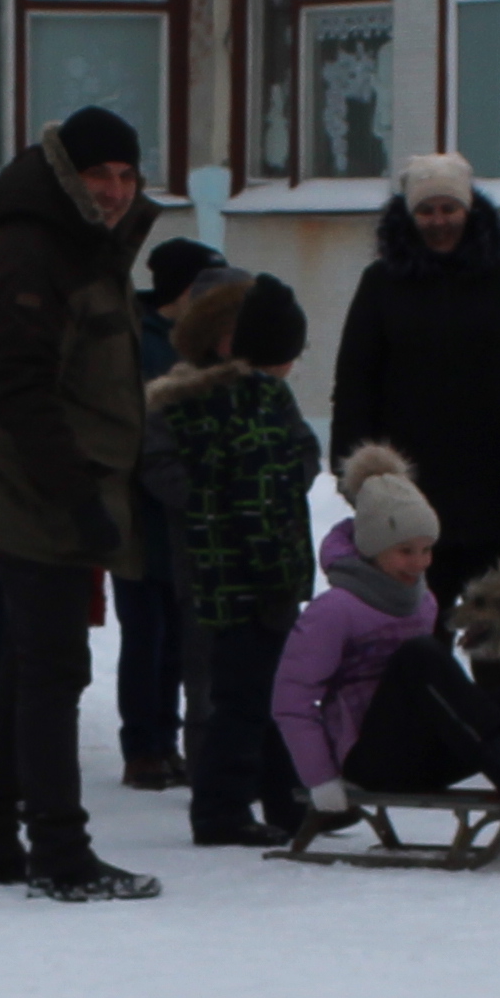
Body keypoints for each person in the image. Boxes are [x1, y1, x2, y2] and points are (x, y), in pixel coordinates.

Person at [0, 106, 164, 899]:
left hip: (53, 481)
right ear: (67, 173)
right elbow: (22, 390)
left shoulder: (77, 247)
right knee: (55, 669)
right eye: (99, 174)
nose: (112, 190)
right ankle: (60, 856)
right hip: (33, 485)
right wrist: (76, 498)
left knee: (27, 661)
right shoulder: (35, 253)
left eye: (125, 176)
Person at [272, 445, 500, 849]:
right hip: (370, 760)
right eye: (405, 551)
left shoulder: (421, 600)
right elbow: (292, 698)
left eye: (426, 550)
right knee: (419, 655)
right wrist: (320, 777)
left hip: (427, 749)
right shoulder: (334, 610)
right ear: (371, 549)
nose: (420, 563)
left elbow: (434, 691)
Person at [328, 153, 500, 600]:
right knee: (419, 620)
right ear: (409, 217)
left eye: (449, 209)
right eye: (426, 211)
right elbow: (356, 381)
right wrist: (354, 471)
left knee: (492, 620)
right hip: (410, 487)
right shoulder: (382, 282)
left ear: (470, 211)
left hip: (495, 480)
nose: (438, 222)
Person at [149, 266, 320, 847]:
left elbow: (299, 458)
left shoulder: (265, 401)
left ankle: (284, 801)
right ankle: (222, 807)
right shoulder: (222, 405)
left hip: (244, 574)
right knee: (238, 698)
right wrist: (275, 572)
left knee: (268, 695)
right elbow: (253, 496)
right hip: (236, 576)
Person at [113, 232, 212, 793]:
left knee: (178, 632)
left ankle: (167, 739)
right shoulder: (140, 339)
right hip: (138, 509)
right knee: (143, 633)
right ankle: (142, 747)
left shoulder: (197, 341)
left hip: (182, 511)